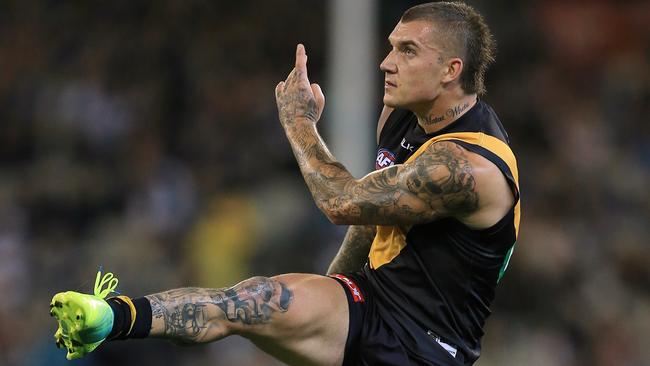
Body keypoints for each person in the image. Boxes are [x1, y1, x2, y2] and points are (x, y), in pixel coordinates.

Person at [50, 2, 520, 365]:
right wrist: (333, 287)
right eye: (392, 45)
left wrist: (299, 124)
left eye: (407, 50)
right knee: (252, 299)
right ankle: (108, 317)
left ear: (451, 70)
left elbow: (341, 203)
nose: (385, 62)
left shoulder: (465, 167)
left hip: (428, 349)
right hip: (371, 306)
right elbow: (371, 217)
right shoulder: (403, 117)